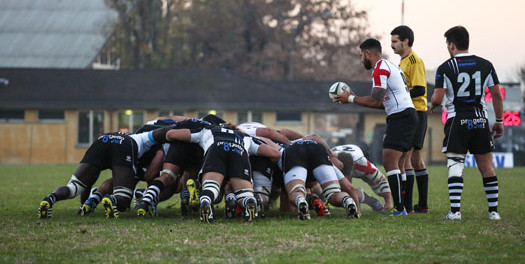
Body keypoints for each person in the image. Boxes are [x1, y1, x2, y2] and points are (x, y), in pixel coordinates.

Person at [334, 38, 417, 216]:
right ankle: (404, 207)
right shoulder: (391, 66)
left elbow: (375, 98)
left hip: (401, 117)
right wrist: (355, 98)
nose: (361, 60)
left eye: (362, 56)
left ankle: (399, 209)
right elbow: (381, 104)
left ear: (368, 54)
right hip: (406, 115)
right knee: (400, 163)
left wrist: (350, 98)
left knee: (389, 160)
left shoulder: (379, 68)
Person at [430, 26, 503, 220]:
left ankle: (455, 212)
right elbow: (496, 94)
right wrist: (499, 121)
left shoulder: (446, 67)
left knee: (455, 163)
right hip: (480, 120)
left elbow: (437, 99)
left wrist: (432, 105)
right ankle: (493, 212)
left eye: (447, 44)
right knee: (487, 166)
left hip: (457, 120)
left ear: (452, 45)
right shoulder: (486, 65)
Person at [164, 124, 281, 223]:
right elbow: (275, 154)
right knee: (244, 193)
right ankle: (249, 201)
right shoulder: (246, 137)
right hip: (238, 150)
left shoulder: (208, 130)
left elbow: (171, 134)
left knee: (211, 187)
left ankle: (205, 200)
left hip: (216, 149)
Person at [391, 25, 430, 213]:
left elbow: (420, 89)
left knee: (405, 159)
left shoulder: (414, 61)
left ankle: (407, 206)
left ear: (406, 41)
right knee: (415, 158)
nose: (392, 45)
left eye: (394, 41)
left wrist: (399, 95)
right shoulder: (402, 62)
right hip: (411, 112)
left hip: (416, 112)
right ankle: (421, 205)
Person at [331, 144, 392, 212]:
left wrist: (388, 202)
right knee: (340, 191)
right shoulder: (328, 165)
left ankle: (372, 201)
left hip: (358, 154)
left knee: (378, 189)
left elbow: (381, 179)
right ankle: (369, 200)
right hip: (339, 157)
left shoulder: (362, 164)